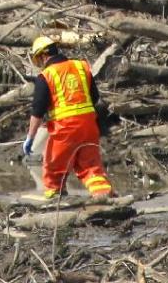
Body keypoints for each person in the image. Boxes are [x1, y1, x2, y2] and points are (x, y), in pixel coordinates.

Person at [21, 34, 113, 201]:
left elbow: (38, 111)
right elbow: (94, 96)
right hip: (89, 126)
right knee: (91, 166)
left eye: (37, 59)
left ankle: (55, 198)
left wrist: (30, 137)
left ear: (43, 56)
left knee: (54, 167)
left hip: (65, 129)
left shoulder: (46, 76)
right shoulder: (81, 66)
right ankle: (102, 194)